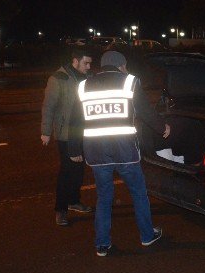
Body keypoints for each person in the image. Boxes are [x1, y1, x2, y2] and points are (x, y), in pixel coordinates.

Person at [69, 51, 170, 256]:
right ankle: (147, 236)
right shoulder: (130, 82)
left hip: (96, 153)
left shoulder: (83, 85)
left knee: (104, 197)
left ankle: (102, 244)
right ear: (122, 66)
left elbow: (75, 121)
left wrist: (73, 149)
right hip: (125, 151)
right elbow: (145, 111)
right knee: (139, 194)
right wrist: (162, 127)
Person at [41, 48, 94, 226]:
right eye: (86, 63)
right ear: (75, 61)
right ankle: (61, 209)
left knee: (78, 171)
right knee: (66, 172)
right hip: (65, 134)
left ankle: (74, 201)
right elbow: (48, 107)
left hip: (82, 133)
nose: (89, 66)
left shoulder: (87, 78)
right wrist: (46, 132)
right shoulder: (59, 79)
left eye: (90, 63)